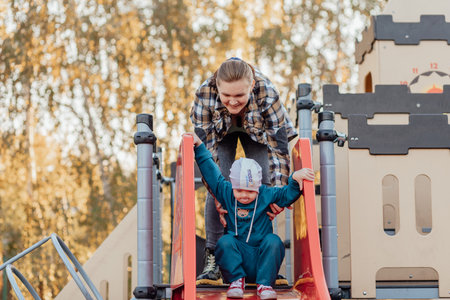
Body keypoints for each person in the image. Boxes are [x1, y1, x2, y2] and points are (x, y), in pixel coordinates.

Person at [190, 57, 297, 285]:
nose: (233, 101)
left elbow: (278, 149)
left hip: (257, 132)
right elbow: (208, 156)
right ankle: (213, 258)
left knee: (263, 183)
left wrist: (277, 191)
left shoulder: (267, 95)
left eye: (239, 95)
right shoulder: (204, 97)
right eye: (226, 95)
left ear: (252, 86)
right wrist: (219, 195)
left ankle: (264, 258)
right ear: (217, 88)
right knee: (221, 188)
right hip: (221, 134)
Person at [187, 132, 314, 299]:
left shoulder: (265, 194)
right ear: (232, 185)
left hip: (261, 258)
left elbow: (286, 195)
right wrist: (199, 147)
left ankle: (265, 284)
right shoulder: (226, 192)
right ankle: (236, 281)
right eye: (239, 190)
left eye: (250, 191)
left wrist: (294, 179)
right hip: (237, 260)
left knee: (274, 241)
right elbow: (212, 174)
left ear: (258, 187)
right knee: (224, 242)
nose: (244, 195)